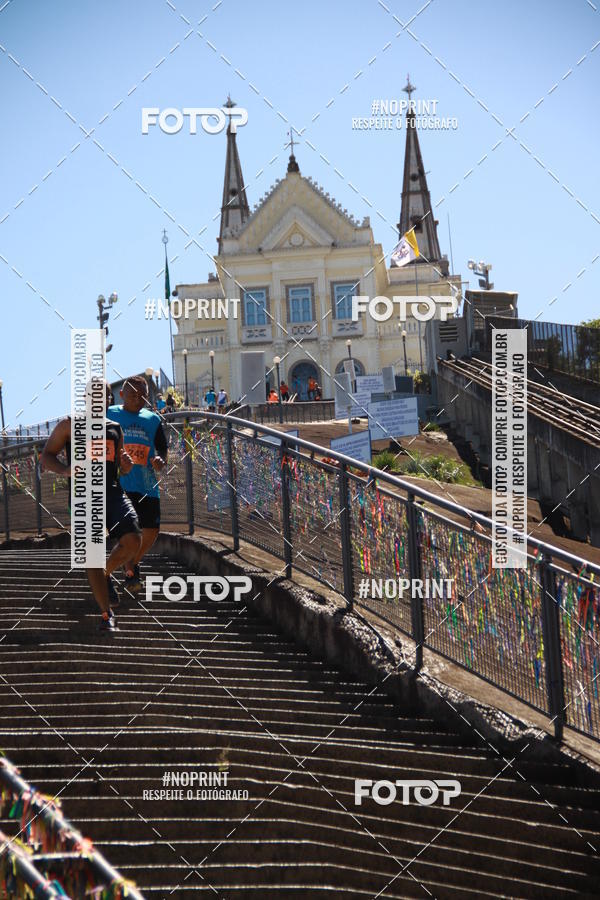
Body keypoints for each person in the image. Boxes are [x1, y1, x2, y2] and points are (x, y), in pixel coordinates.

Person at [41, 382, 142, 633]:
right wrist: (65, 470)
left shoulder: (115, 428)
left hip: (112, 492)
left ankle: (106, 573)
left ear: (109, 399)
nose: (99, 400)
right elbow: (46, 455)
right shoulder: (69, 425)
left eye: (104, 396)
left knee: (133, 540)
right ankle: (106, 615)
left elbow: (119, 468)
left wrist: (126, 466)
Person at [107, 375, 168, 593]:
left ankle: (132, 563)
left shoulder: (153, 419)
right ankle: (119, 572)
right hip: (120, 485)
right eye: (132, 395)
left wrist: (160, 460)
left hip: (147, 484)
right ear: (121, 395)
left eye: (143, 396)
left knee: (151, 531)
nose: (137, 399)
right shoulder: (109, 414)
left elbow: (162, 448)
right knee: (128, 533)